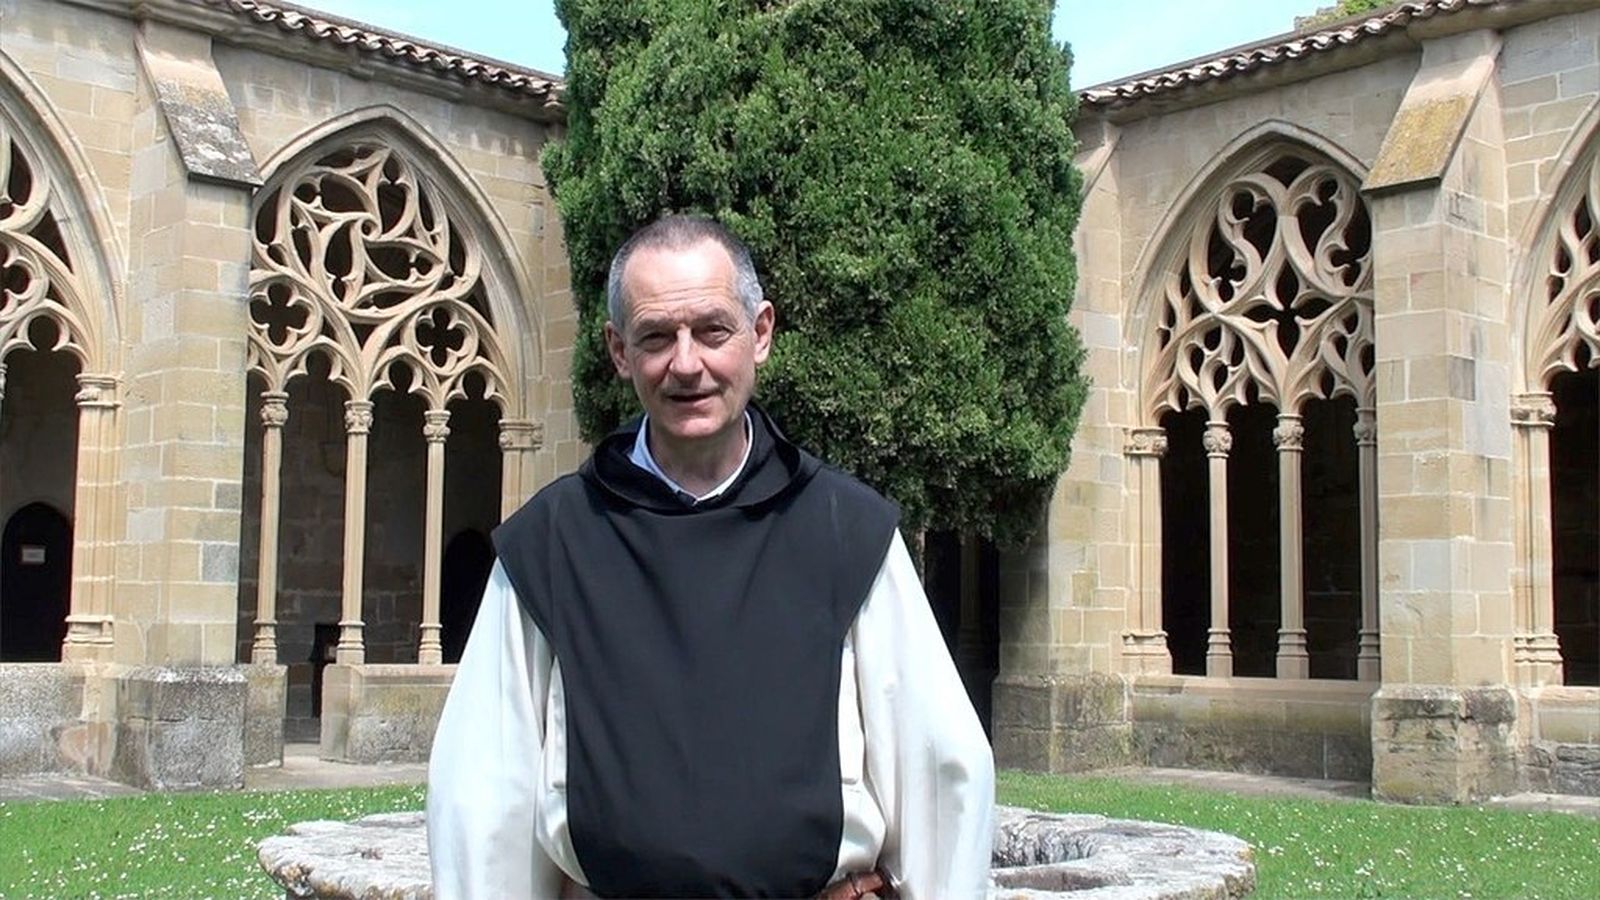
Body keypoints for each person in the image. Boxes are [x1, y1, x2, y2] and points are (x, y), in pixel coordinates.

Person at [426, 215, 995, 899]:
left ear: (760, 334)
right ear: (617, 350)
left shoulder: (845, 530)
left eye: (713, 330)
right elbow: (483, 798)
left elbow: (940, 769)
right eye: (657, 337)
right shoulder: (553, 543)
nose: (686, 364)